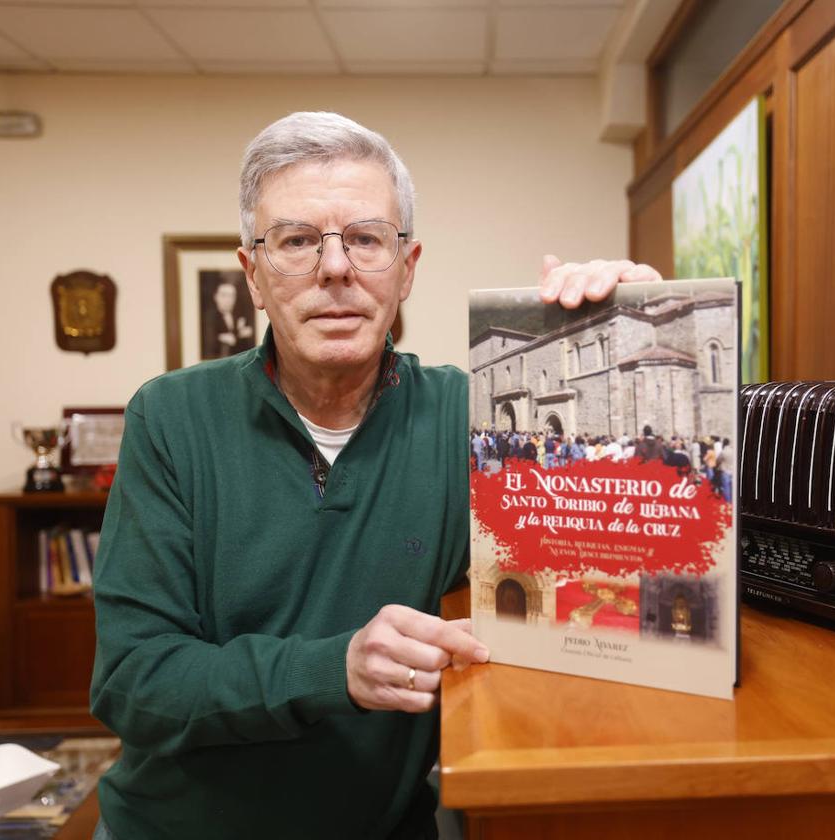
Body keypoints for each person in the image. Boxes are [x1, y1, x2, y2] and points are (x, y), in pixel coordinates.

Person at [88, 111, 661, 840]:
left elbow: (609, 591)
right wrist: (338, 669)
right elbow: (133, 682)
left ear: (407, 269)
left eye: (365, 239)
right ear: (253, 276)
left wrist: (636, 324)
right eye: (297, 241)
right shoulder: (171, 418)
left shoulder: (473, 420)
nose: (335, 268)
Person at [202, 278, 256, 358]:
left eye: (232, 296)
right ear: (216, 297)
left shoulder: (239, 315)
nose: (228, 300)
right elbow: (207, 344)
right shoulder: (208, 318)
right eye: (224, 295)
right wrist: (220, 338)